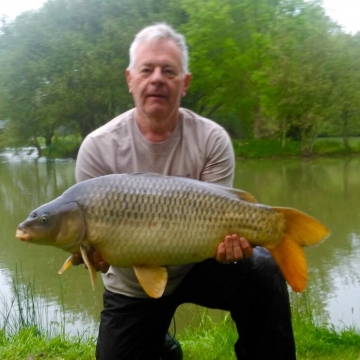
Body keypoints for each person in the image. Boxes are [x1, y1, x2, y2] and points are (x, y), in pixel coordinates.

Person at [74, 23, 296, 360]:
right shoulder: (97, 147)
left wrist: (232, 242)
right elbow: (99, 256)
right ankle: (161, 344)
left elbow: (219, 217)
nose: (157, 78)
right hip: (134, 283)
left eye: (169, 70)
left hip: (199, 264)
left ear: (185, 83)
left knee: (262, 270)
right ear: (130, 79)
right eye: (146, 70)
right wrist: (96, 257)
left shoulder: (212, 139)